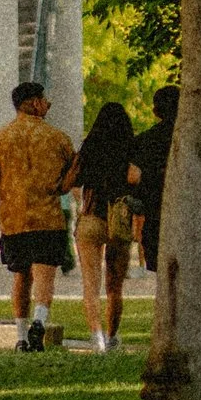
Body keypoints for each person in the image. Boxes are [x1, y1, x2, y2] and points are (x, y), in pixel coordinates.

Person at [0, 81, 79, 351]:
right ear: (33, 103)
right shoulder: (59, 138)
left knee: (21, 276)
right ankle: (39, 322)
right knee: (45, 275)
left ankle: (20, 337)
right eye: (44, 100)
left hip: (13, 220)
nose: (48, 104)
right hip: (48, 218)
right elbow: (71, 181)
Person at [73, 102, 139, 353]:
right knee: (115, 286)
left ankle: (96, 338)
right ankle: (112, 337)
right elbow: (135, 178)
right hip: (119, 221)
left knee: (91, 285)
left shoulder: (89, 149)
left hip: (91, 219)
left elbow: (72, 181)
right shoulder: (129, 149)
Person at [127, 84, 178, 275]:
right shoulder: (195, 142)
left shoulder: (143, 142)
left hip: (155, 215)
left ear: (156, 111)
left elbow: (132, 179)